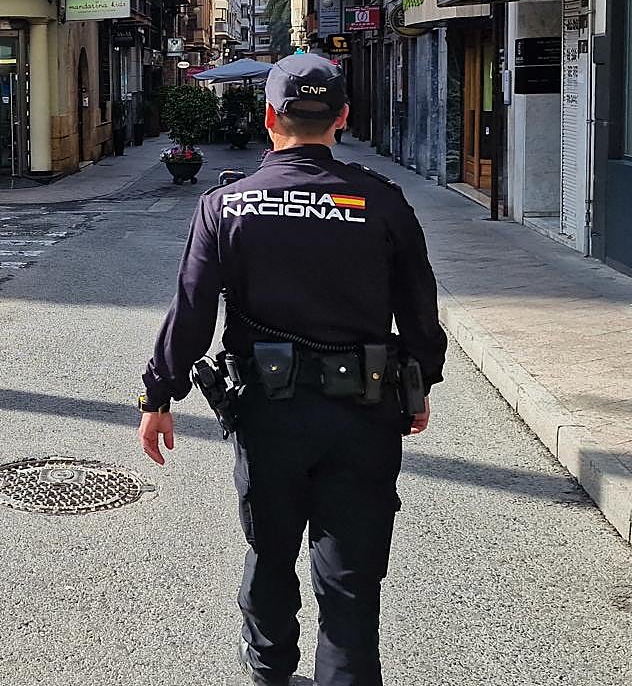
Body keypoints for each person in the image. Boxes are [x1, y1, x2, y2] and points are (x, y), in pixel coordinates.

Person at [138, 54, 447, 686]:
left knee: (271, 554)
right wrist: (419, 385)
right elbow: (420, 309)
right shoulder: (383, 201)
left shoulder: (226, 205)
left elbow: (191, 313)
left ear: (270, 117)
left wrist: (159, 394)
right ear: (342, 119)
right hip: (363, 413)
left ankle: (269, 674)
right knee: (352, 581)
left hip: (269, 413)